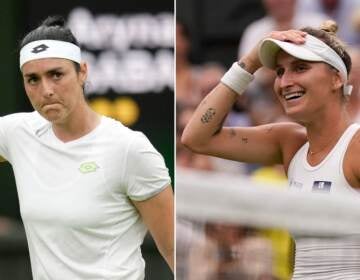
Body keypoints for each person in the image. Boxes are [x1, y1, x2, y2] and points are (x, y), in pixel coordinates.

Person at [182, 19, 360, 279]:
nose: (285, 81)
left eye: (300, 68)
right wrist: (251, 61)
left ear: (336, 79)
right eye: (279, 71)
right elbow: (196, 137)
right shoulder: (289, 142)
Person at [0, 16, 173, 279]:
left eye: (56, 74)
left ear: (82, 72)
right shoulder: (16, 133)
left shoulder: (130, 149)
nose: (46, 89)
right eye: (32, 79)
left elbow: (175, 252)